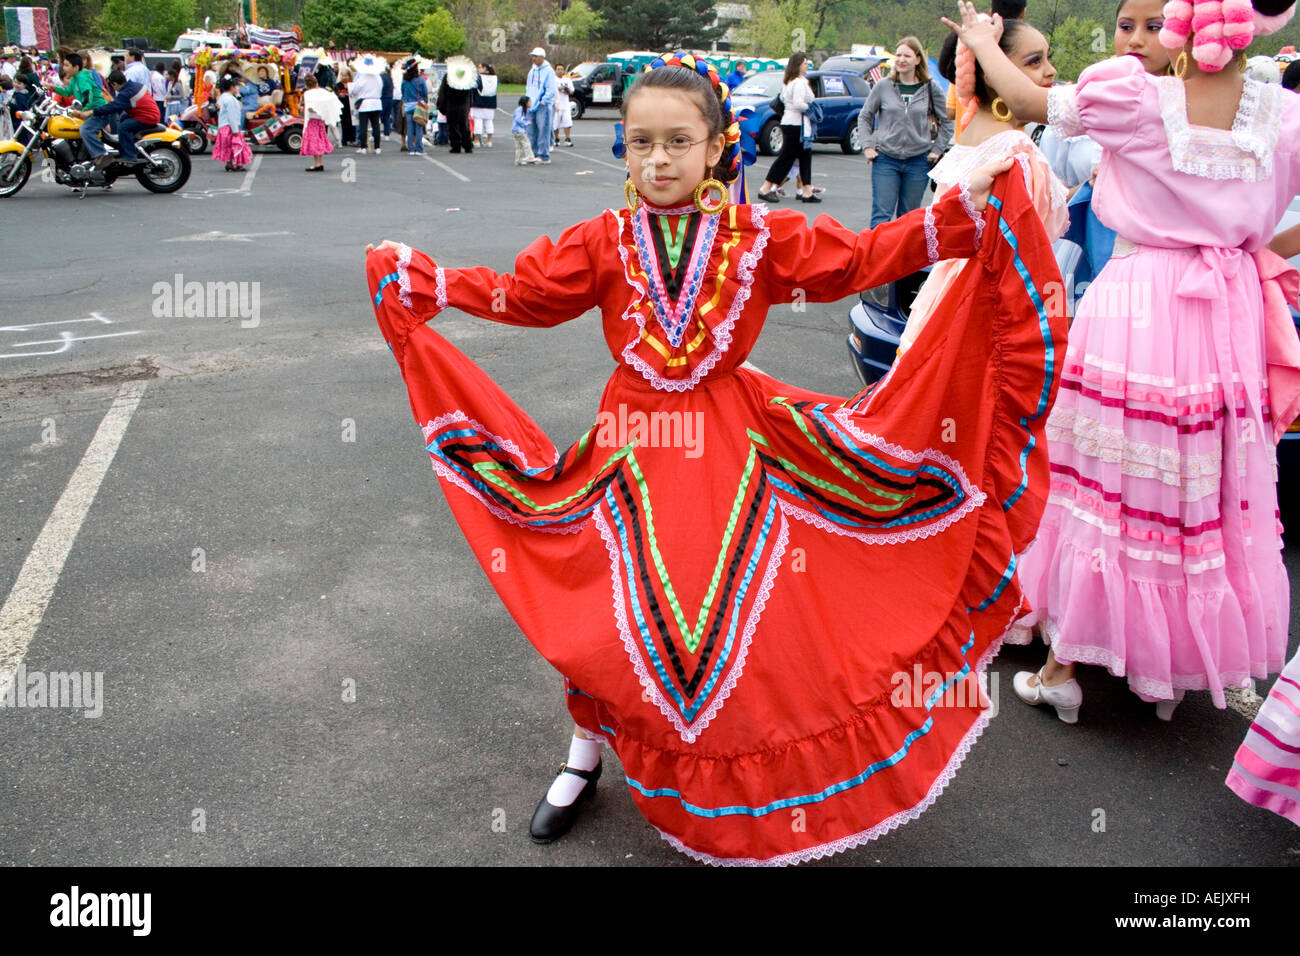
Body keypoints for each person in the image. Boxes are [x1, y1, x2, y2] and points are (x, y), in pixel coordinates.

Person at [363, 51, 1057, 865]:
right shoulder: (602, 240)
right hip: (631, 452)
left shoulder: (759, 235)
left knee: (740, 634)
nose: (658, 160)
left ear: (720, 145)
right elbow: (529, 294)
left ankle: (744, 792)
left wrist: (957, 218)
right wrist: (432, 283)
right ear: (621, 146)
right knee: (607, 615)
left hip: (738, 444)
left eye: (678, 142)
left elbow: (858, 261)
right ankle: (583, 754)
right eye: (640, 142)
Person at [945, 0, 1300, 723]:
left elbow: (1025, 99)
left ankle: (1063, 664)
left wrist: (983, 37)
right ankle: (1170, 669)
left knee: (1106, 482)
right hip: (1224, 314)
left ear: (1181, 25)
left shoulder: (1137, 98)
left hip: (1138, 303)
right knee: (1193, 491)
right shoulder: (1283, 114)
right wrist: (1248, 255)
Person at [898, 14, 1067, 355]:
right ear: (992, 72)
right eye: (1034, 62)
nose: (1050, 72)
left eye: (1049, 58)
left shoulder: (969, 143)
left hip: (941, 300)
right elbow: (1016, 256)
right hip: (984, 316)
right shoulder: (1016, 153)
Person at [859, 36, 954, 227]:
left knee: (908, 218)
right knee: (881, 216)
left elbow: (948, 121)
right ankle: (875, 256)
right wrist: (867, 145)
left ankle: (902, 257)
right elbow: (865, 117)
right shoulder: (884, 86)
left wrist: (936, 150)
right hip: (886, 159)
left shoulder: (930, 88)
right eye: (898, 55)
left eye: (907, 56)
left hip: (918, 161)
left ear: (918, 59)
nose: (901, 59)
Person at [947, 0, 1028, 129]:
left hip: (966, 138)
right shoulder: (1025, 52)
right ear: (1023, 13)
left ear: (991, 11)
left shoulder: (967, 50)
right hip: (1010, 139)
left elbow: (951, 111)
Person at [758, 53, 819, 202]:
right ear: (798, 65)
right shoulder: (798, 83)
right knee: (786, 158)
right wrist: (811, 108)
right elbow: (798, 103)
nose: (807, 66)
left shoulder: (791, 81)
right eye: (805, 63)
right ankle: (765, 188)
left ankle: (806, 190)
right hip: (795, 124)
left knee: (805, 157)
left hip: (794, 123)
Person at [75, 68, 160, 168]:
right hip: (146, 114)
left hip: (148, 117)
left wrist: (92, 111)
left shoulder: (126, 93)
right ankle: (129, 144)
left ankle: (129, 156)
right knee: (123, 118)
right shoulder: (133, 86)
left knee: (123, 128)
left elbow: (114, 107)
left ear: (115, 84)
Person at [211, 75, 252, 172]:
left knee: (228, 147)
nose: (237, 88)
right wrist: (235, 129)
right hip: (230, 126)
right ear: (232, 87)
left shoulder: (222, 98)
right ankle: (235, 164)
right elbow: (232, 115)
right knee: (235, 145)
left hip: (223, 126)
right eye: (236, 86)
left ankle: (229, 163)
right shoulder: (230, 100)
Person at [300, 74, 339, 172]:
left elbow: (310, 108)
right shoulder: (323, 92)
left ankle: (317, 164)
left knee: (314, 141)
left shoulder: (307, 94)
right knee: (320, 140)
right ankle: (320, 162)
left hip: (312, 120)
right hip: (321, 120)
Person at [526, 47, 557, 163]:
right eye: (533, 56)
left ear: (542, 57)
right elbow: (529, 86)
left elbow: (551, 90)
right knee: (531, 130)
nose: (533, 59)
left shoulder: (548, 71)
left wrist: (543, 102)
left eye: (536, 56)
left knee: (543, 130)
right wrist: (527, 100)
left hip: (543, 106)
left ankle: (544, 155)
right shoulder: (532, 70)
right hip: (531, 104)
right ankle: (533, 153)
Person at [351, 56, 384, 154]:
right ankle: (377, 147)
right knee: (376, 126)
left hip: (365, 103)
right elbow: (381, 88)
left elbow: (355, 90)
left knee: (363, 126)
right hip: (376, 102)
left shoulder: (362, 77)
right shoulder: (378, 77)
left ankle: (363, 147)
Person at [436, 70, 473, 153]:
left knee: (453, 126)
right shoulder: (466, 77)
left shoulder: (448, 77)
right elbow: (470, 93)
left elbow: (443, 92)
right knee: (464, 125)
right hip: (464, 105)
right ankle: (467, 145)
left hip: (451, 104)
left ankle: (456, 146)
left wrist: (441, 105)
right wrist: (470, 104)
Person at [401, 60, 428, 155]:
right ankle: (419, 149)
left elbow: (402, 92)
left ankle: (411, 149)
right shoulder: (420, 79)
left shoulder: (404, 80)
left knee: (410, 128)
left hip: (408, 106)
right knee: (419, 128)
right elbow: (425, 92)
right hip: (418, 105)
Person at [472, 63, 497, 148]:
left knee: (478, 121)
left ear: (485, 68)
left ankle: (476, 140)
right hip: (491, 103)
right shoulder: (495, 78)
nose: (478, 69)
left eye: (480, 67)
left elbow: (473, 87)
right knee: (489, 122)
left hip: (479, 103)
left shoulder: (479, 78)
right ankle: (489, 141)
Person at [512, 94, 539, 164]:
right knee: (526, 143)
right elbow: (518, 119)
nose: (531, 103)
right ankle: (530, 157)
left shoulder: (523, 110)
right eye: (529, 102)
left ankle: (518, 160)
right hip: (519, 130)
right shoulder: (520, 110)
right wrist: (526, 122)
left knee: (519, 145)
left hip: (516, 130)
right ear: (525, 103)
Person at [554, 65, 574, 146]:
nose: (560, 71)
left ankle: (567, 139)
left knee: (567, 122)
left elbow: (572, 90)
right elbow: (551, 91)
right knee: (555, 123)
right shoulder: (553, 80)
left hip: (565, 104)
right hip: (556, 105)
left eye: (561, 69)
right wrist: (559, 88)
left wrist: (567, 90)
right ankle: (556, 139)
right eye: (558, 69)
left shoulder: (567, 80)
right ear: (555, 70)